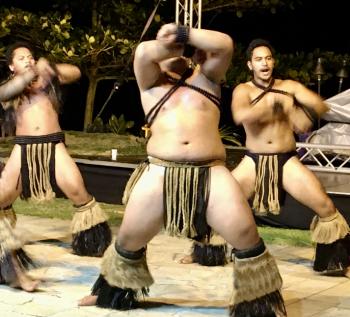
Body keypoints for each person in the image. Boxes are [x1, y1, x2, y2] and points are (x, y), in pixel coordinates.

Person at [78, 24, 286, 317]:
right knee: (127, 242)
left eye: (181, 50)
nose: (173, 55)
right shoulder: (150, 85)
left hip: (211, 174)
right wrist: (172, 43)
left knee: (246, 236)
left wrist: (182, 35)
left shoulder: (207, 79)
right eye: (167, 51)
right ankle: (109, 294)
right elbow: (143, 51)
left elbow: (225, 43)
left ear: (191, 56)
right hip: (159, 174)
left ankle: (261, 305)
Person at [231, 38, 350, 276]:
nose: (264, 63)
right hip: (253, 161)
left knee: (325, 206)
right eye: (258, 59)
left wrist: (301, 112)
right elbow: (240, 114)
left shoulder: (289, 86)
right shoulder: (243, 90)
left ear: (273, 62)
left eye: (268, 58)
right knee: (221, 202)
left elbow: (319, 105)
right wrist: (272, 106)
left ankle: (335, 261)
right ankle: (205, 252)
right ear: (249, 65)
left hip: (287, 161)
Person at [0, 42, 112, 291]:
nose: (28, 60)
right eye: (21, 58)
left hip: (54, 145)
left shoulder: (46, 83)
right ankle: (7, 263)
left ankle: (92, 243)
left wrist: (49, 68)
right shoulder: (11, 89)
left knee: (78, 192)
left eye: (30, 56)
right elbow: (8, 90)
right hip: (23, 148)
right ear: (11, 66)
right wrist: (31, 72)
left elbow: (75, 72)